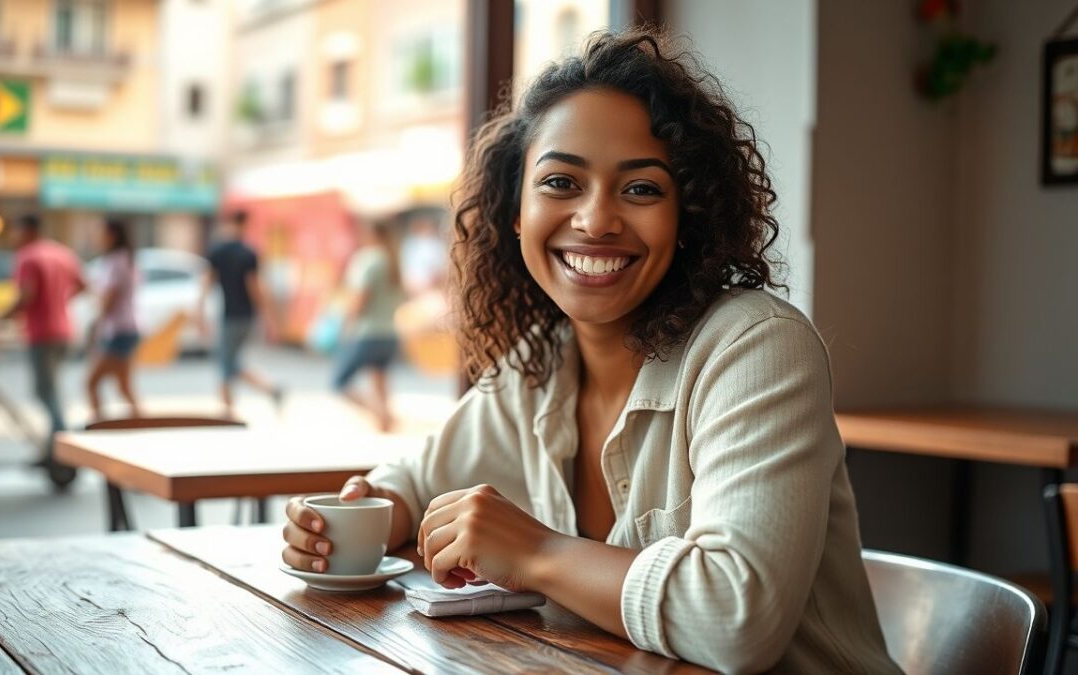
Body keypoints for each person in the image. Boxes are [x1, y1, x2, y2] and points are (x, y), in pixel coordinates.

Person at [282, 29, 899, 673]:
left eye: (641, 189)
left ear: (687, 214)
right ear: (515, 210)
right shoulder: (542, 362)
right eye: (560, 182)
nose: (597, 219)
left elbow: (737, 620)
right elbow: (414, 481)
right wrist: (349, 522)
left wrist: (536, 554)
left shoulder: (756, 348)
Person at [0, 214, 85, 464]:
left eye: (16, 230)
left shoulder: (28, 257)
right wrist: (59, 301)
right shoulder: (62, 253)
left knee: (46, 393)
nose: (13, 236)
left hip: (42, 333)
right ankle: (54, 447)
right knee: (51, 391)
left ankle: (62, 449)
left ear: (27, 230)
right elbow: (83, 285)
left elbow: (26, 297)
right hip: (65, 331)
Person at [197, 210, 283, 416]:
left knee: (226, 363)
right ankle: (271, 390)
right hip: (246, 316)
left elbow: (206, 284)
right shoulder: (248, 252)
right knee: (229, 362)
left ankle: (228, 408)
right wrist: (268, 318)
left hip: (230, 316)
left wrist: (198, 311)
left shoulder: (218, 251)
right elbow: (256, 289)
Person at [332, 219, 404, 432]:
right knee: (379, 379)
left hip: (368, 333)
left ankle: (381, 414)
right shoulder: (394, 260)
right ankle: (384, 422)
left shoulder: (369, 260)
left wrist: (344, 325)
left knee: (339, 382)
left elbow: (359, 299)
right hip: (390, 333)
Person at [86, 219, 140, 421]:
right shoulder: (124, 259)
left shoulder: (117, 261)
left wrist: (96, 325)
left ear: (112, 235)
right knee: (124, 386)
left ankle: (98, 426)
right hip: (125, 327)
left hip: (119, 329)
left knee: (91, 382)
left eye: (101, 232)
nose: (97, 238)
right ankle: (140, 421)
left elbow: (109, 298)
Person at [399, 213, 448, 296]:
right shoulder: (410, 244)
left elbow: (441, 269)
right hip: (418, 289)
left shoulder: (436, 243)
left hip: (433, 289)